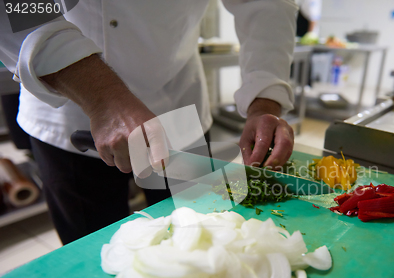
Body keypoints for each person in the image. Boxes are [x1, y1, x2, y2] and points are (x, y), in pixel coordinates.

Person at [0, 0, 297, 244]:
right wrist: (103, 98)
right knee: (94, 251)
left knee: (203, 236)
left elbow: (265, 4)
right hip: (71, 107)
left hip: (179, 104)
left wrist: (265, 99)